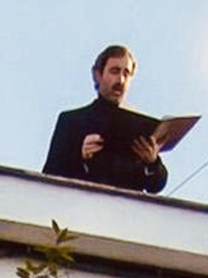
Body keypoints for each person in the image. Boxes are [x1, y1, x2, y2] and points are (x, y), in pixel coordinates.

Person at [43, 44, 167, 193]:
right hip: (81, 208)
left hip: (126, 211)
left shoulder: (139, 126)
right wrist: (80, 156)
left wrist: (152, 162)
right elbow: (49, 178)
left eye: (126, 73)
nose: (121, 80)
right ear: (98, 75)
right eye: (114, 71)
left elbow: (156, 186)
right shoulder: (71, 121)